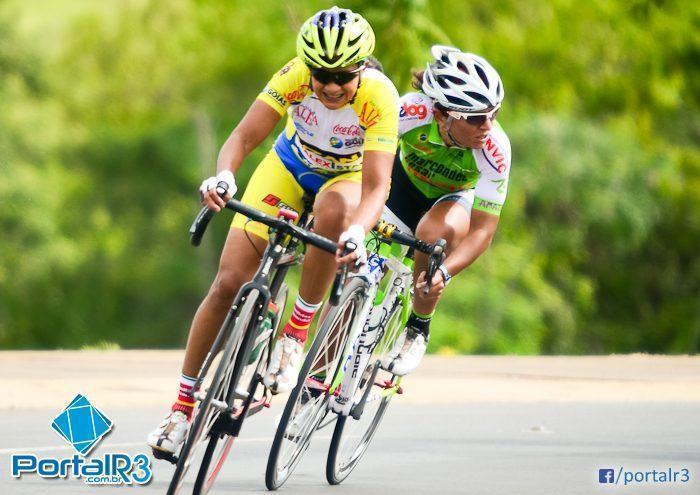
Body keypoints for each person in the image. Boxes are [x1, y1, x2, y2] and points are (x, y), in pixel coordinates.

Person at [147, 6, 399, 456]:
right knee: (227, 284)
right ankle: (181, 408)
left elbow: (379, 184)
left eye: (343, 75)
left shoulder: (379, 98)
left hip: (347, 178)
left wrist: (360, 230)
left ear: (360, 68)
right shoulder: (294, 77)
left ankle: (296, 331)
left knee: (334, 207)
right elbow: (243, 137)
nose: (331, 85)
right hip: (289, 164)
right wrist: (224, 176)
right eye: (322, 74)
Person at [381, 45, 511, 375]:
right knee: (355, 273)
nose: (488, 125)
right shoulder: (408, 112)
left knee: (431, 233)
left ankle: (417, 325)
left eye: (493, 114)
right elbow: (365, 160)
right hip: (401, 188)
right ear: (442, 114)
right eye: (477, 118)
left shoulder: (495, 149)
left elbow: (483, 231)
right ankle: (318, 378)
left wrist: (445, 272)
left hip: (451, 202)